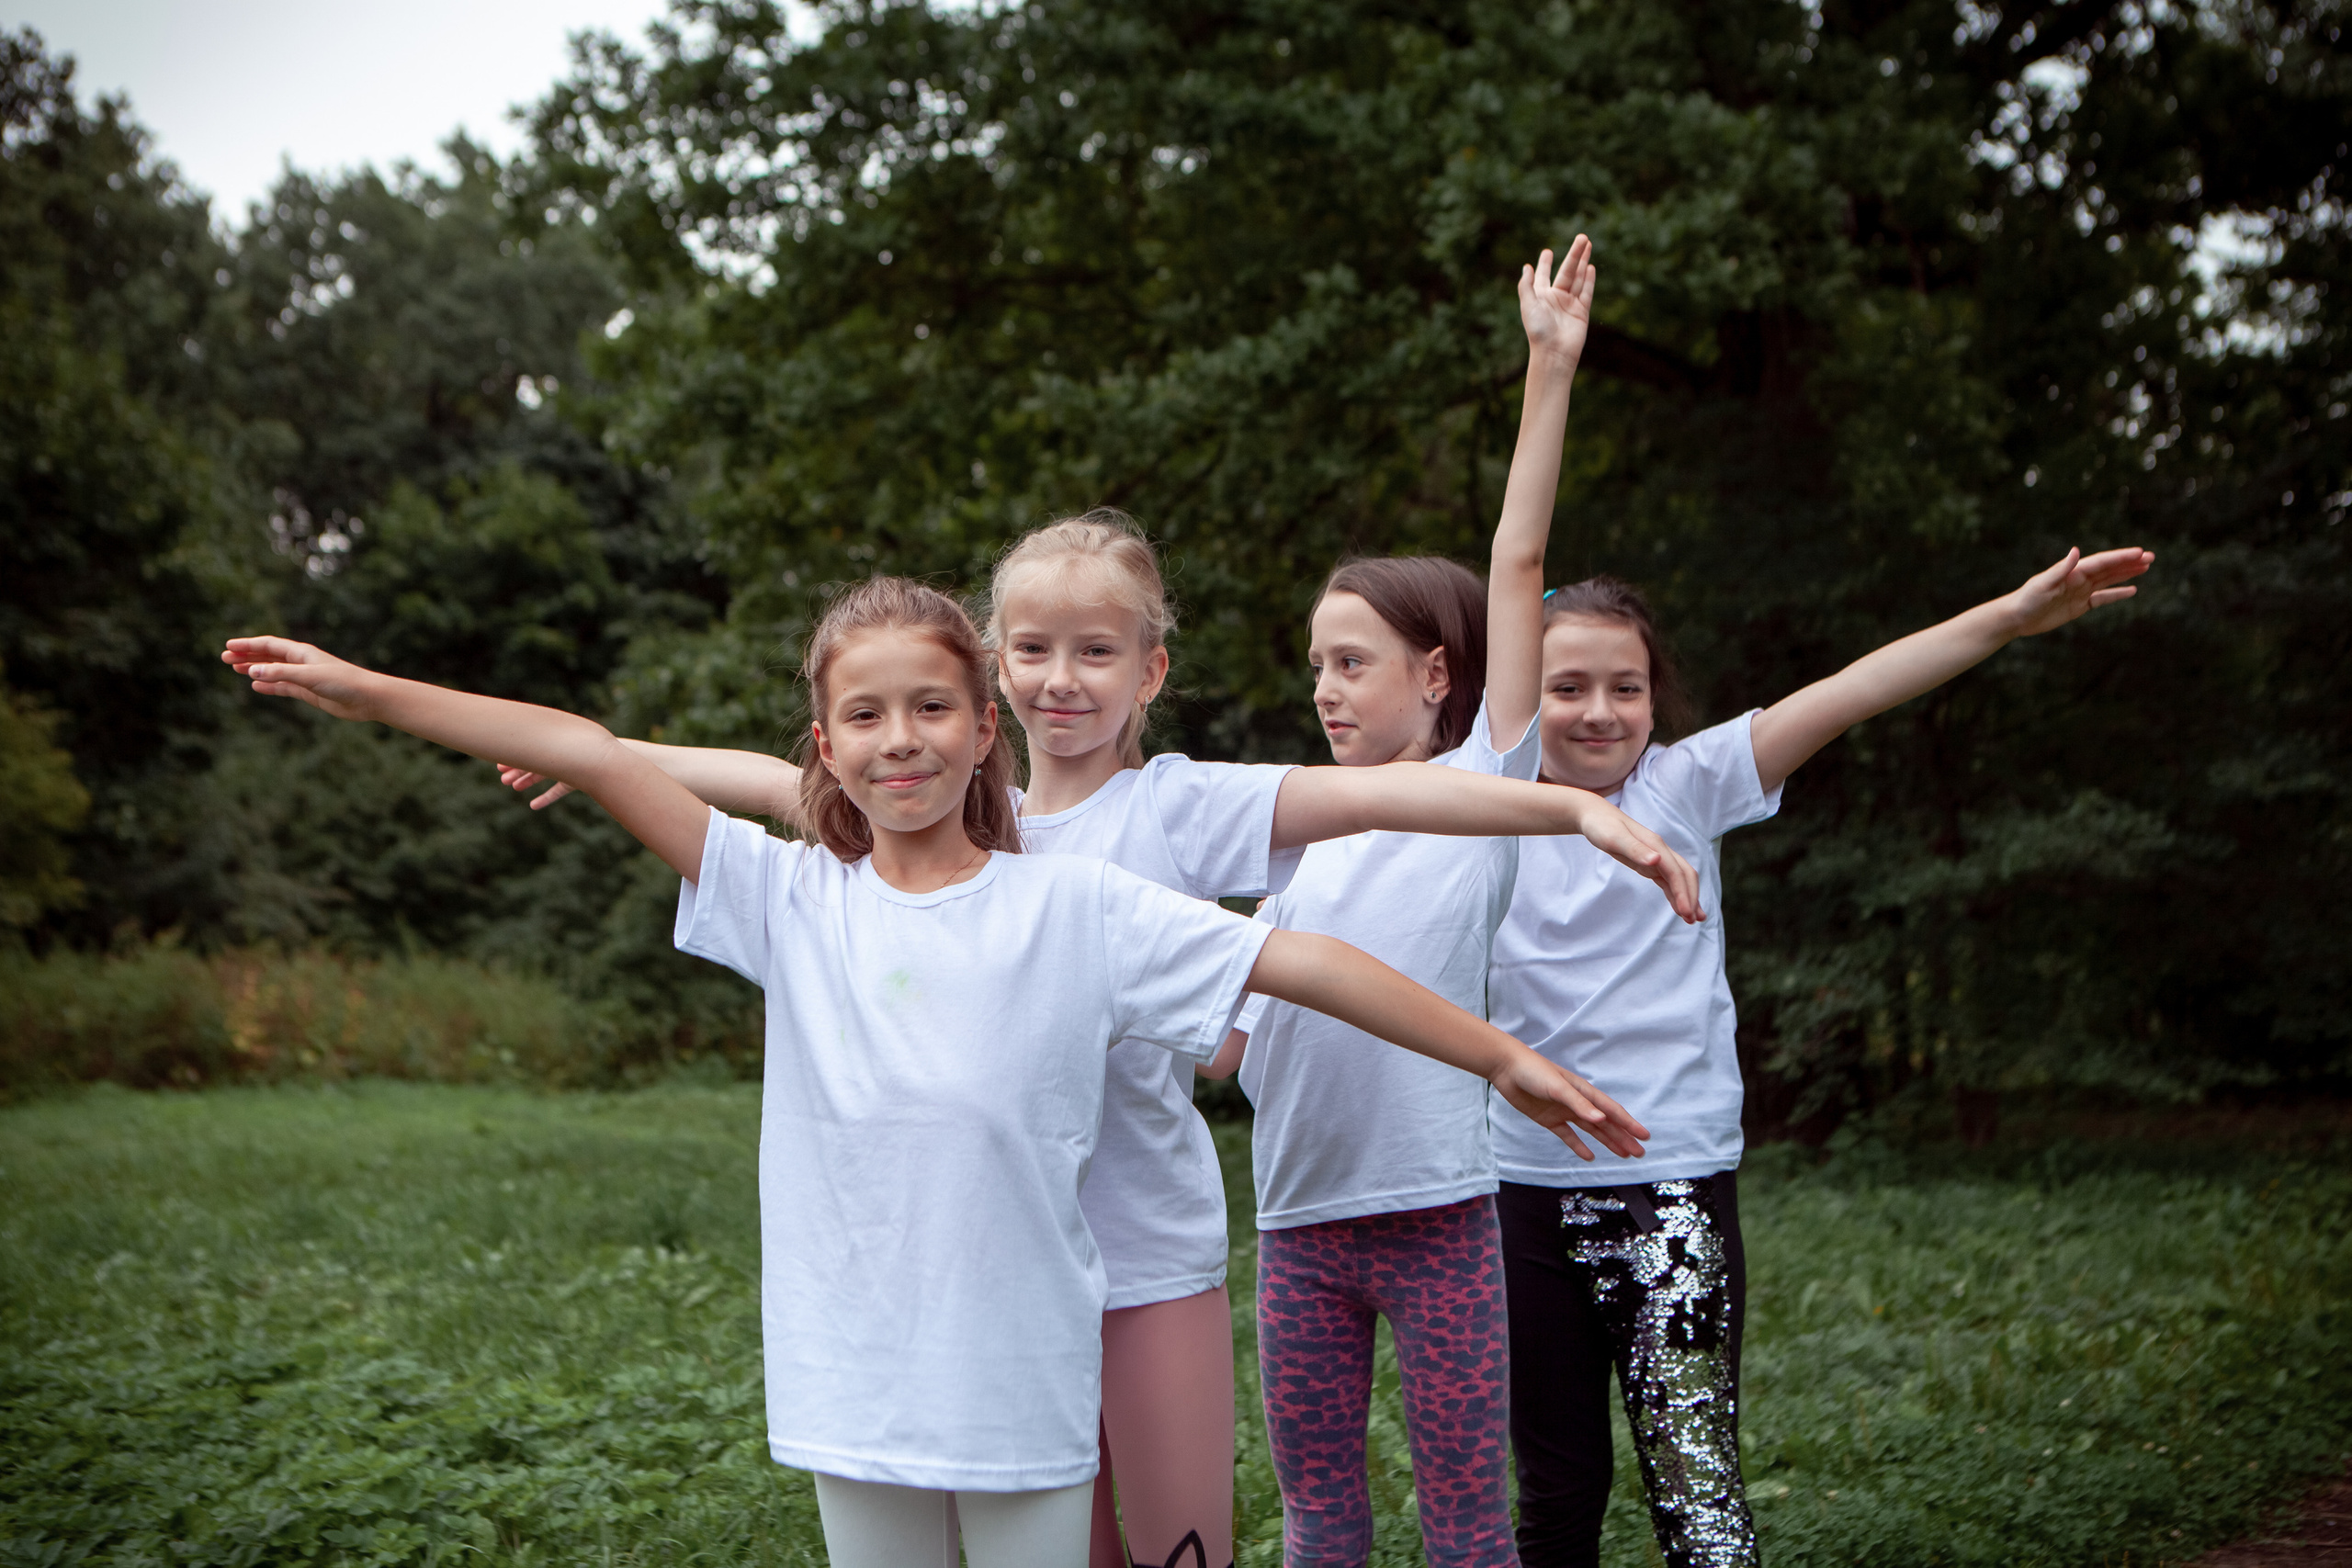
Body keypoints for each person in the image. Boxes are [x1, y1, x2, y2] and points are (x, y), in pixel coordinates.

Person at [487, 246, 1700, 1568]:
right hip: (999, 1270)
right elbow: (774, 779)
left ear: (1152, 667)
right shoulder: (948, 814)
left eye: (1097, 650)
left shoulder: (1177, 806)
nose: (1062, 677)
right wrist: (612, 757)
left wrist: (1566, 805)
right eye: (1033, 648)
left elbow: (1395, 799)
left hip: (1147, 1243)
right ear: (996, 668)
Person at [221, 577, 1652, 1568]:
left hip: (1027, 1380)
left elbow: (1305, 965)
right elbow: (586, 749)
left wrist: (1504, 1053)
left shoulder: (1072, 903)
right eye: (864, 717)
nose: (898, 740)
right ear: (825, 746)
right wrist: (367, 692)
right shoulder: (790, 896)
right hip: (858, 1380)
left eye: (928, 710)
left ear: (982, 728)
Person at [1489, 545, 2154, 1568]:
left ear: (1654, 699)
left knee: (1694, 1483)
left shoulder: (1689, 784)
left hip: (1667, 1191)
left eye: (1626, 686)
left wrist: (2008, 619)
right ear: (1523, 701)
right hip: (1518, 1195)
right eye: (1566, 687)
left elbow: (1849, 691)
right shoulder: (1478, 812)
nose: (1599, 711)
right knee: (1556, 1492)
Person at [1203, 237, 1625, 1568]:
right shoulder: (1298, 835)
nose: (1323, 687)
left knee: (1465, 1528)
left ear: (1439, 676)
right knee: (1321, 1524)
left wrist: (1547, 371)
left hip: (1441, 1216)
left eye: (1350, 661)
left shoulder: (1477, 781)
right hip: (1296, 1224)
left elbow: (1518, 560)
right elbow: (1242, 1038)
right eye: (1313, 664)